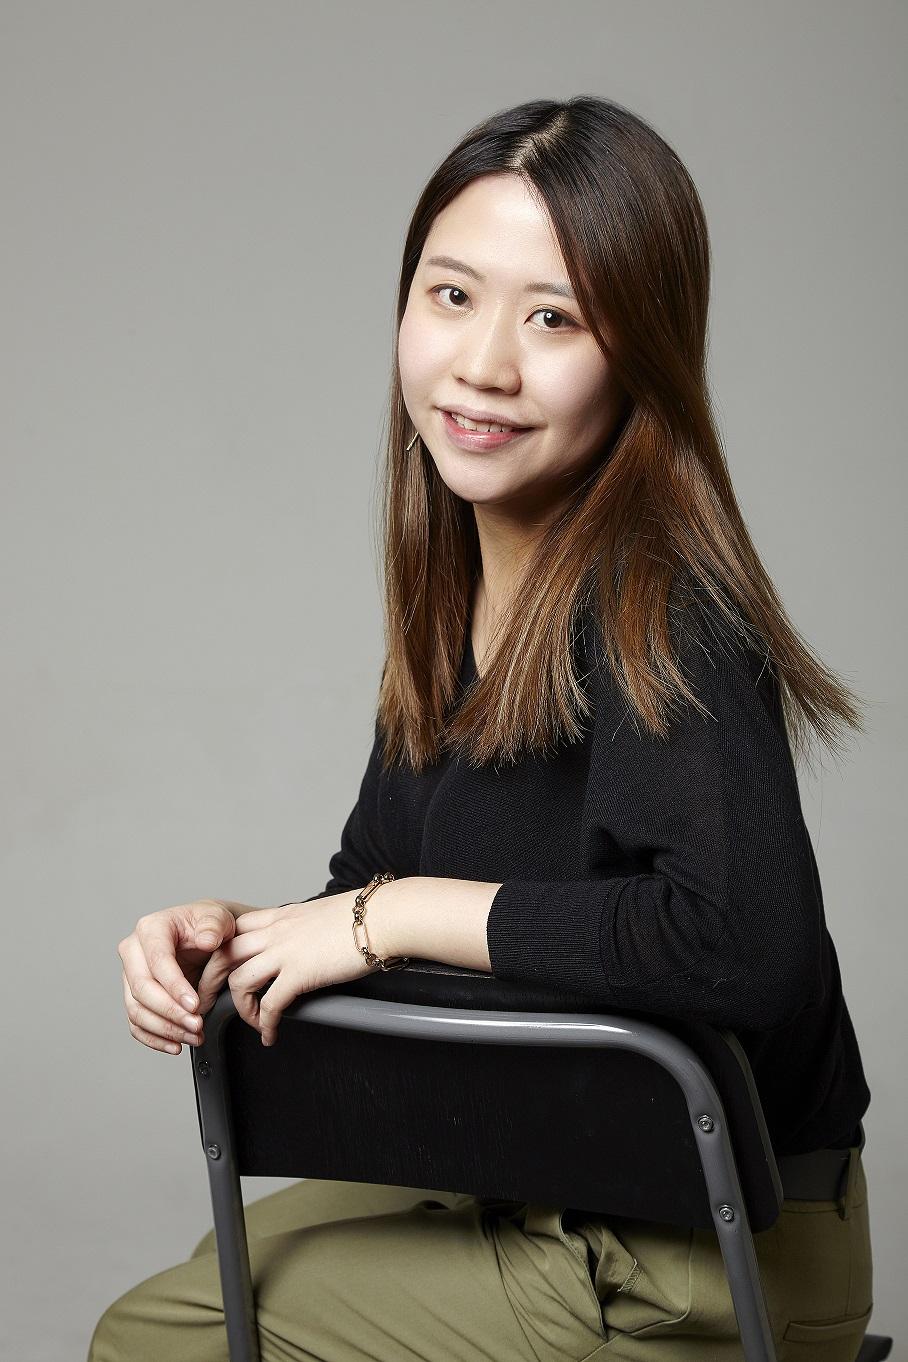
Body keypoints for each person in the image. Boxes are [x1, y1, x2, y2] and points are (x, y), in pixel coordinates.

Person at [89, 94, 874, 1362]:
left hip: (700, 1257)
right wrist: (236, 939)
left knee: (158, 1339)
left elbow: (740, 944)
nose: (482, 364)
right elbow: (371, 894)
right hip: (544, 1179)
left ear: (641, 351)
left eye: (552, 318)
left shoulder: (660, 607)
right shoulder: (456, 601)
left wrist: (393, 914)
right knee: (213, 1277)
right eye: (450, 296)